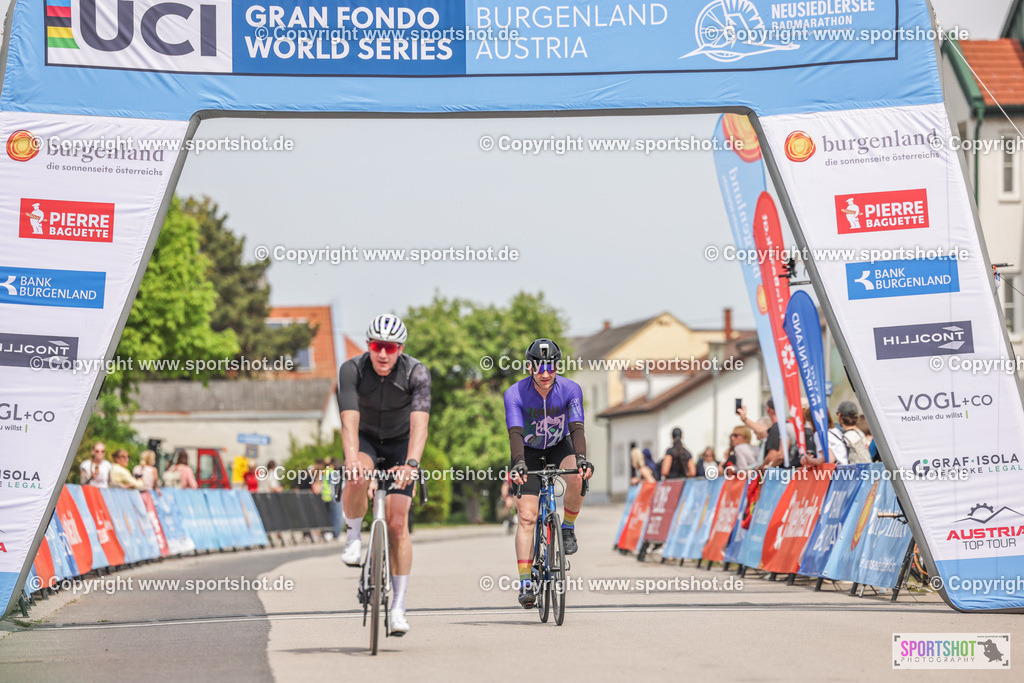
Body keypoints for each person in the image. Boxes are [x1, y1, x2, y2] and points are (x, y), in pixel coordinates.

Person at [337, 314, 431, 636]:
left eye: (390, 348)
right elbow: (349, 420)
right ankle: (352, 538)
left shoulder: (416, 372)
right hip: (365, 439)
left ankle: (398, 608)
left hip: (400, 443)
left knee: (397, 522)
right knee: (357, 475)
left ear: (400, 348)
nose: (382, 354)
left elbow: (420, 424)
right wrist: (351, 460)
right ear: (368, 345)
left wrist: (412, 465)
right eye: (377, 346)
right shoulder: (352, 370)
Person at [505, 338, 594, 609]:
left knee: (578, 476)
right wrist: (518, 463)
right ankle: (525, 583)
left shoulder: (571, 389)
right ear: (529, 367)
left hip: (558, 446)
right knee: (527, 517)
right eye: (539, 367)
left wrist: (581, 459)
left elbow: (577, 427)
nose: (545, 374)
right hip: (527, 451)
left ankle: (567, 527)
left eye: (551, 367)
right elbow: (516, 432)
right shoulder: (515, 393)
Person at [757, 400, 783, 470]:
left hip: (777, 475)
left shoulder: (775, 428)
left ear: (768, 409)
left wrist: (761, 467)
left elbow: (772, 455)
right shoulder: (786, 425)